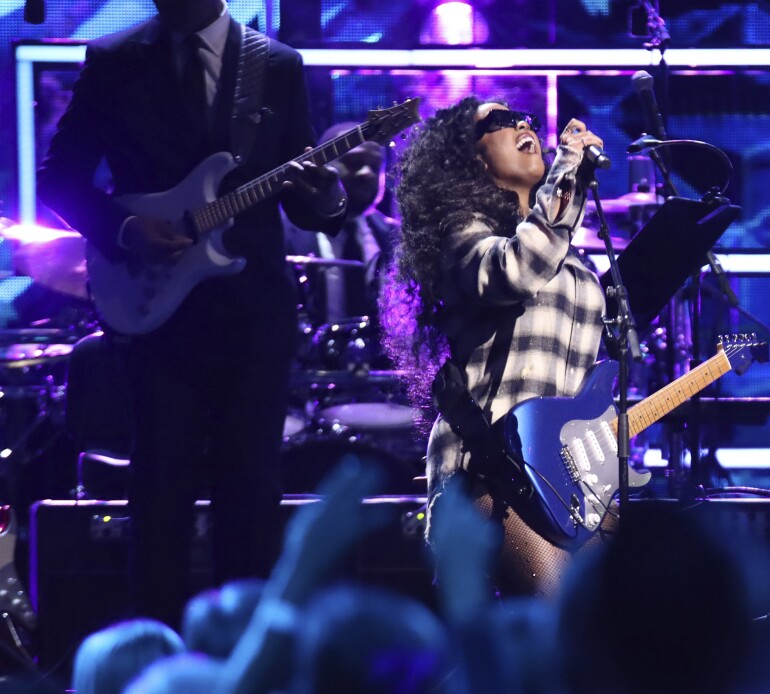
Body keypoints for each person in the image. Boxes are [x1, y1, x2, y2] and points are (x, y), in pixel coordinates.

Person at [37, 0, 346, 629]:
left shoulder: (277, 66)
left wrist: (329, 193)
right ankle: (154, 666)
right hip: (154, 314)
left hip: (253, 317)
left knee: (250, 501)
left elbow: (308, 204)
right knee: (159, 499)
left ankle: (244, 666)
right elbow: (59, 179)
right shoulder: (114, 60)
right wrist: (123, 229)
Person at [384, 98, 607, 597]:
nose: (523, 123)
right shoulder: (462, 234)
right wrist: (569, 170)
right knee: (561, 622)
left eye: (525, 116)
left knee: (613, 640)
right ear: (472, 161)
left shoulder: (573, 264)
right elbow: (512, 271)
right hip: (489, 474)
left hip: (567, 485)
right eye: (499, 122)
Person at [285, 121, 397, 326]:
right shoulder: (284, 234)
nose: (367, 173)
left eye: (375, 166)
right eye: (353, 163)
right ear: (320, 167)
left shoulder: (396, 237)